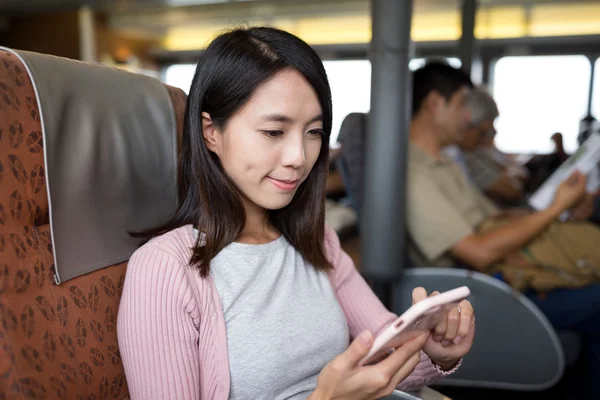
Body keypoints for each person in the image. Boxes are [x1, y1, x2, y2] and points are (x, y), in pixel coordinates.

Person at [117, 28, 476, 400]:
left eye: (314, 132)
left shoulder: (318, 242)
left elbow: (385, 354)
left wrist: (433, 350)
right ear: (211, 133)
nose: (299, 158)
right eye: (274, 132)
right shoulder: (164, 268)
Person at [406, 62, 600, 399]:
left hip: (500, 272)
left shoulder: (447, 161)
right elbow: (478, 250)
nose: (469, 118)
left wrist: (563, 212)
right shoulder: (413, 172)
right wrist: (554, 208)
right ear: (436, 104)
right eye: (463, 105)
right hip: (479, 289)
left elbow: (495, 221)